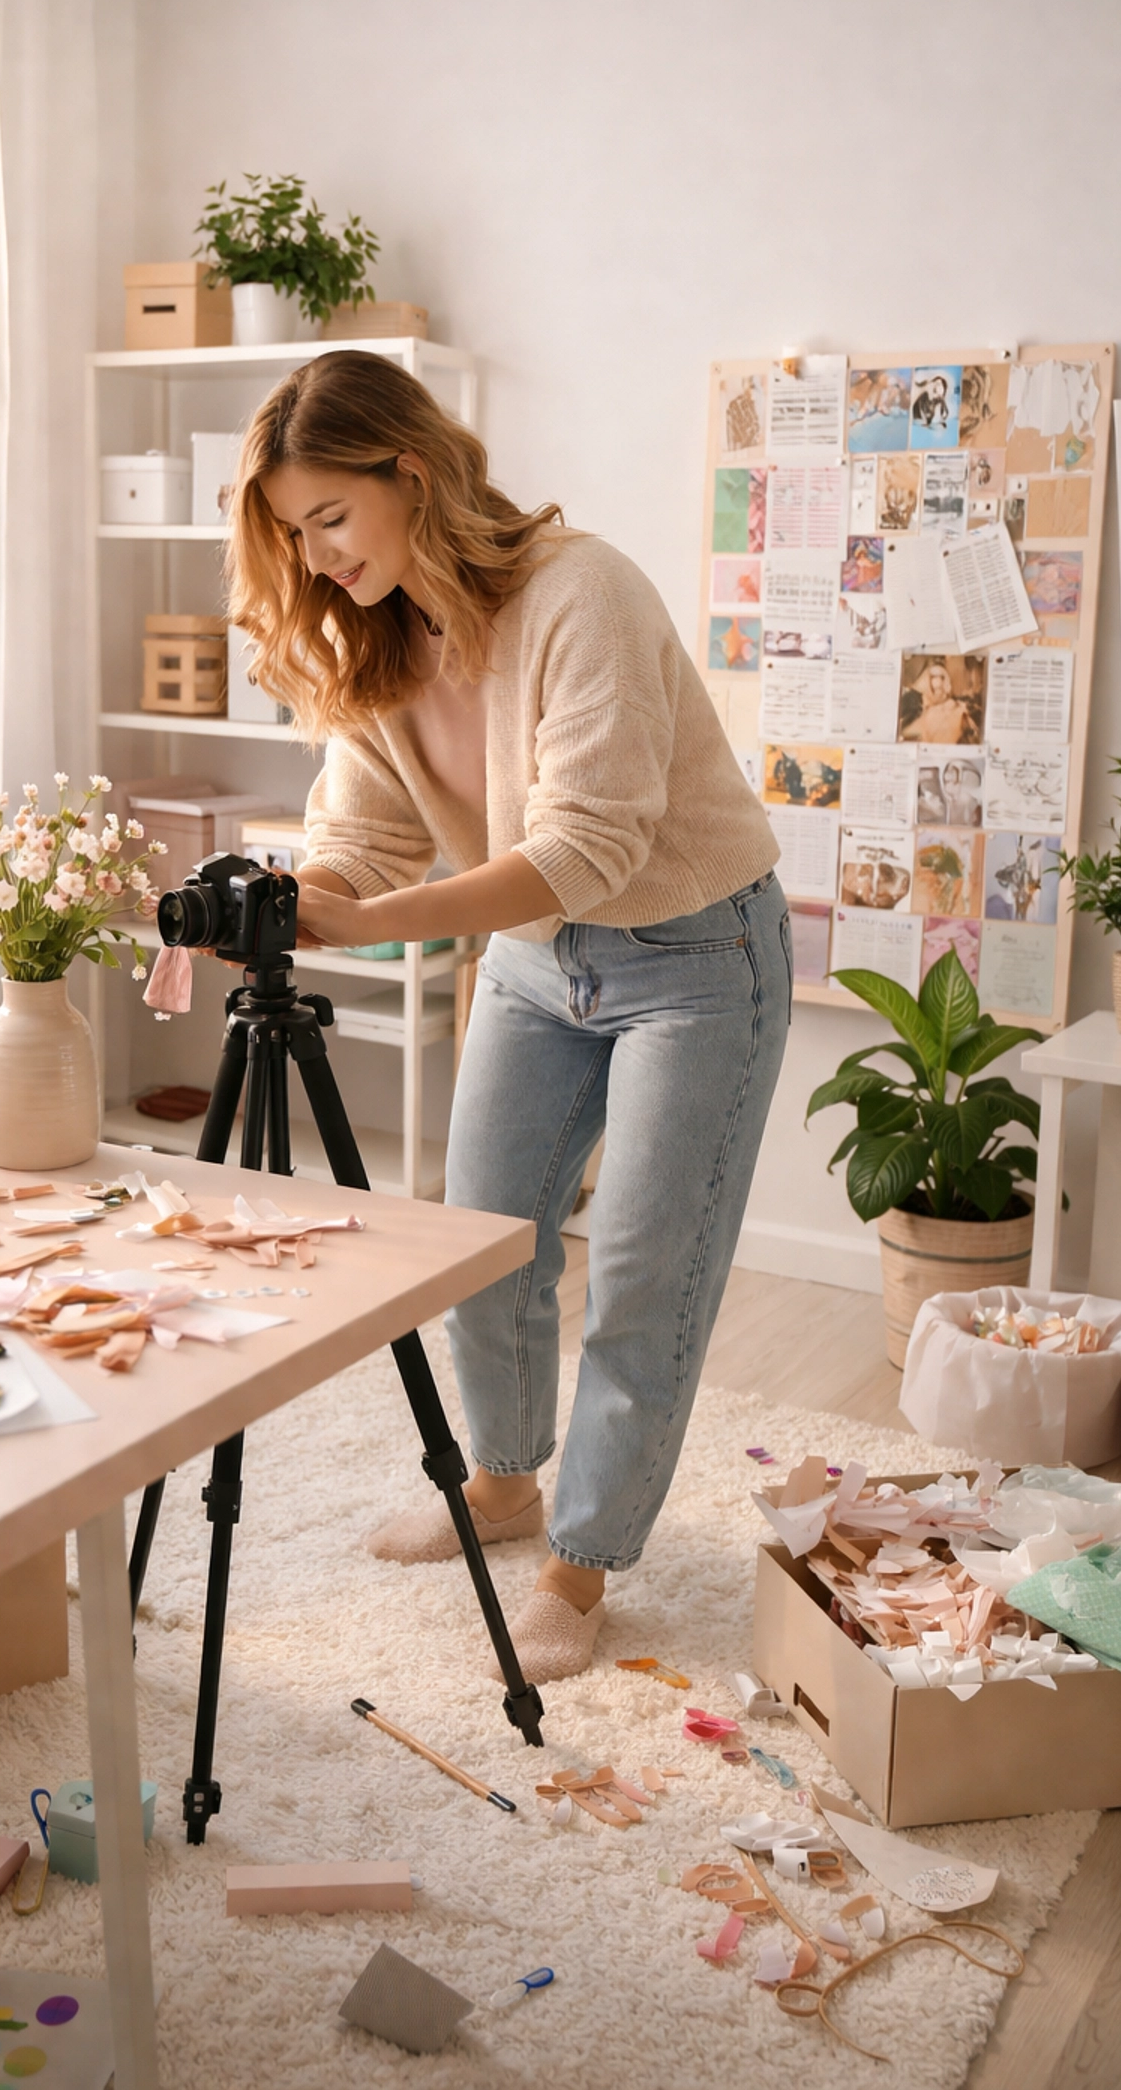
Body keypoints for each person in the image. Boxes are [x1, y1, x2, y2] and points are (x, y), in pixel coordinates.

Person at [224, 351, 792, 1684]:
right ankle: (500, 1485)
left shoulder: (581, 591)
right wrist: (296, 894)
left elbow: (588, 846)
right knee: (481, 1239)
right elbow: (358, 834)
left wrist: (375, 921)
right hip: (539, 962)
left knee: (646, 1273)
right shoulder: (379, 636)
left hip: (694, 953)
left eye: (329, 522)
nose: (313, 561)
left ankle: (581, 1566)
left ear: (407, 473)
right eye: (293, 537)